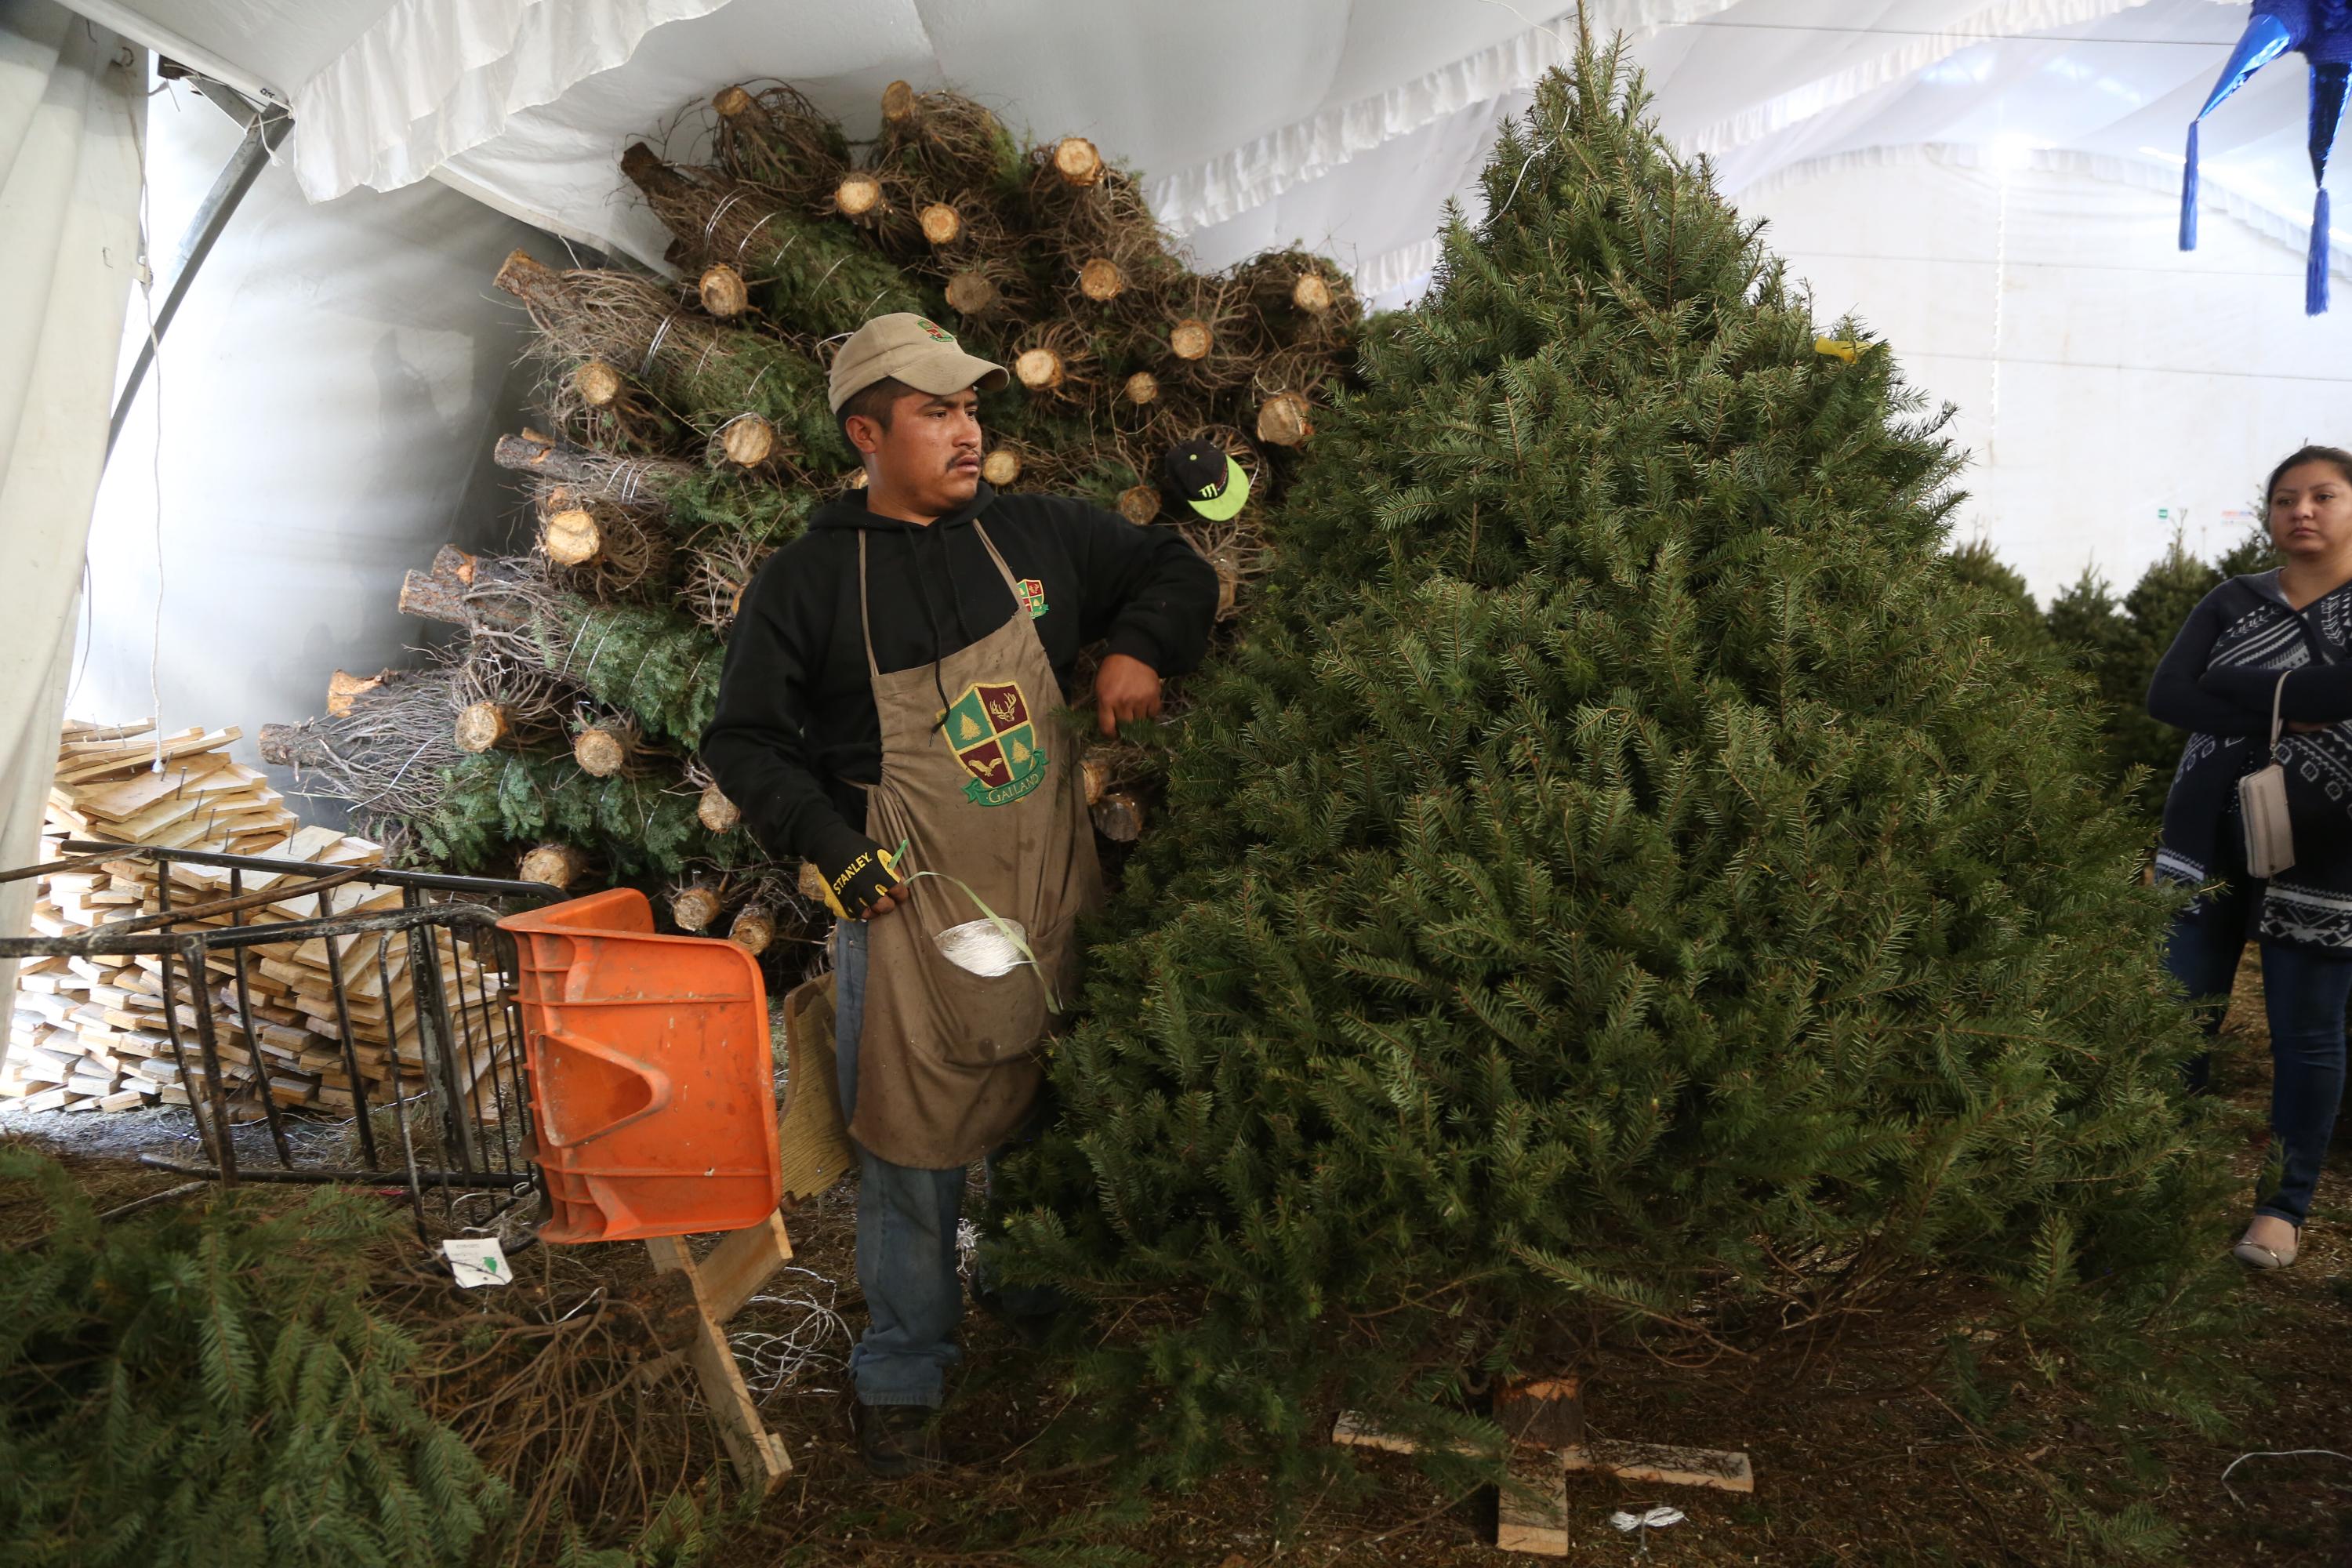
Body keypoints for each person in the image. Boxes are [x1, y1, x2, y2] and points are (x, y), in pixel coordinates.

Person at [699, 313, 1219, 1475]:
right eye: (937, 412)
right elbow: (743, 741)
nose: (967, 431)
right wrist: (832, 845)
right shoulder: (809, 581)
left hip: (1044, 878)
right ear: (866, 434)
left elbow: (1176, 565)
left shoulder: (1035, 535)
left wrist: (1142, 647)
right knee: (909, 1142)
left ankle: (1036, 1298)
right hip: (904, 902)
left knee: (1046, 1097)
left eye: (972, 408)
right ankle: (904, 1369)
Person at [2147, 443, 2352, 1271]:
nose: (2301, 510)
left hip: (2330, 850)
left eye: (2324, 496)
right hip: (2205, 838)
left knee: (2306, 1032)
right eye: (2284, 499)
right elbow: (2166, 694)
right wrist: (2283, 703)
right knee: (2175, 1016)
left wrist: (2234, 687)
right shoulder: (2231, 599)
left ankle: (2282, 1206)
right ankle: (2156, 1179)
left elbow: (2338, 699)